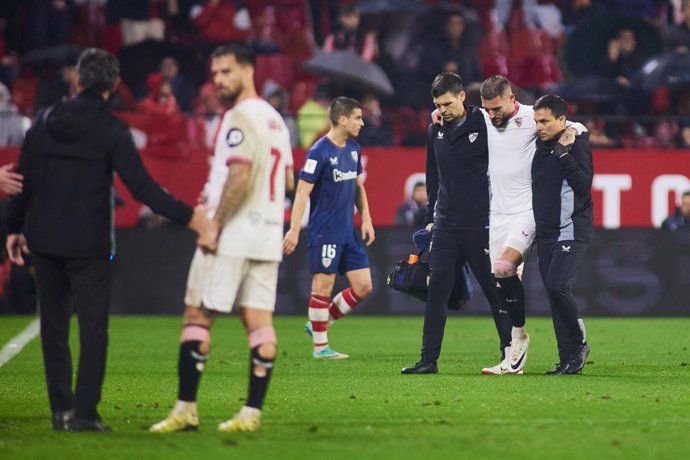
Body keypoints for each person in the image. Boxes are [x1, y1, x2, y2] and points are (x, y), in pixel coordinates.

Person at [5, 48, 215, 432]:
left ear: (79, 79)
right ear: (114, 86)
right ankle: (85, 414)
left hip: (45, 241)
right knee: (92, 328)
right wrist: (190, 216)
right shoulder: (111, 128)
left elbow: (23, 179)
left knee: (53, 326)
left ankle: (60, 412)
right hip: (90, 245)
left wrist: (14, 228)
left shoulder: (44, 122)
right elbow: (142, 188)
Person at [150, 43, 294, 434]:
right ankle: (251, 414)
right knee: (259, 323)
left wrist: (214, 220)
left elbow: (240, 175)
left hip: (232, 235)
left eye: (226, 72)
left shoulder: (238, 116)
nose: (218, 80)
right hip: (266, 234)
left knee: (197, 314)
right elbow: (287, 180)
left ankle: (185, 410)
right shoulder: (276, 119)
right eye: (215, 74)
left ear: (249, 70)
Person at [433, 75, 585, 374]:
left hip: (527, 209)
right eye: (487, 110)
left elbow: (572, 125)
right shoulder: (482, 118)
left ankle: (519, 339)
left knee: (503, 267)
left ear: (511, 99)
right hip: (497, 212)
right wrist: (436, 112)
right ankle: (516, 347)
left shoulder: (532, 116)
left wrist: (577, 132)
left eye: (497, 109)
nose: (492, 115)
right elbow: (455, 113)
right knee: (500, 278)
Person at [400, 73, 512, 375]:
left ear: (463, 96)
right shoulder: (434, 130)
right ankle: (428, 360)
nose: (443, 109)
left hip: (481, 224)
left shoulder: (485, 123)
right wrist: (430, 221)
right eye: (438, 104)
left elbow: (514, 119)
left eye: (448, 103)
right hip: (446, 225)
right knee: (436, 291)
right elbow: (432, 177)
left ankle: (510, 354)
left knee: (494, 289)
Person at [283, 97, 375, 359]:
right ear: (342, 119)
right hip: (325, 231)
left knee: (364, 286)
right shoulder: (319, 151)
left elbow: (358, 187)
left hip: (348, 231)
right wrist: (293, 229)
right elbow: (301, 193)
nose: (362, 122)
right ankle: (320, 348)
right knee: (323, 287)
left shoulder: (354, 148)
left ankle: (318, 324)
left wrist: (366, 219)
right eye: (358, 117)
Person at [532, 94, 593, 374]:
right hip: (545, 234)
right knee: (553, 294)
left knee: (557, 285)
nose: (539, 127)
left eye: (544, 121)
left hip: (570, 228)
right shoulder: (539, 144)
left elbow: (583, 186)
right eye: (536, 121)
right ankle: (566, 358)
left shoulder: (575, 144)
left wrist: (565, 155)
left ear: (562, 120)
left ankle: (579, 342)